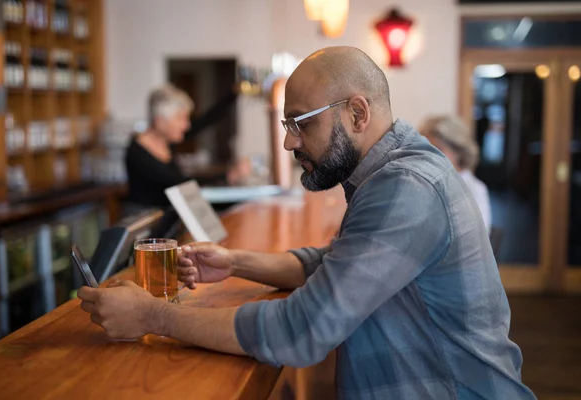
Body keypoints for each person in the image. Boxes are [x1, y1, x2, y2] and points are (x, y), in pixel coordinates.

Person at [79, 47, 536, 400]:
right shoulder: (386, 174)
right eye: (285, 123)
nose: (287, 142)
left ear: (357, 113)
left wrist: (152, 315)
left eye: (300, 123)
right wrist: (235, 261)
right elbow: (337, 262)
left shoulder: (406, 187)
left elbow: (301, 331)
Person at [125, 84, 251, 207]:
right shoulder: (137, 153)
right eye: (181, 118)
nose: (186, 125)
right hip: (146, 223)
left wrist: (233, 94)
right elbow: (179, 185)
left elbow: (206, 120)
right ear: (160, 121)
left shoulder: (167, 141)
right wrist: (227, 176)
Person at [420, 115, 492, 231]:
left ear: (458, 151)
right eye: (425, 149)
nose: (429, 157)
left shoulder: (475, 190)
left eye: (438, 149)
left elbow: (474, 243)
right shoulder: (427, 183)